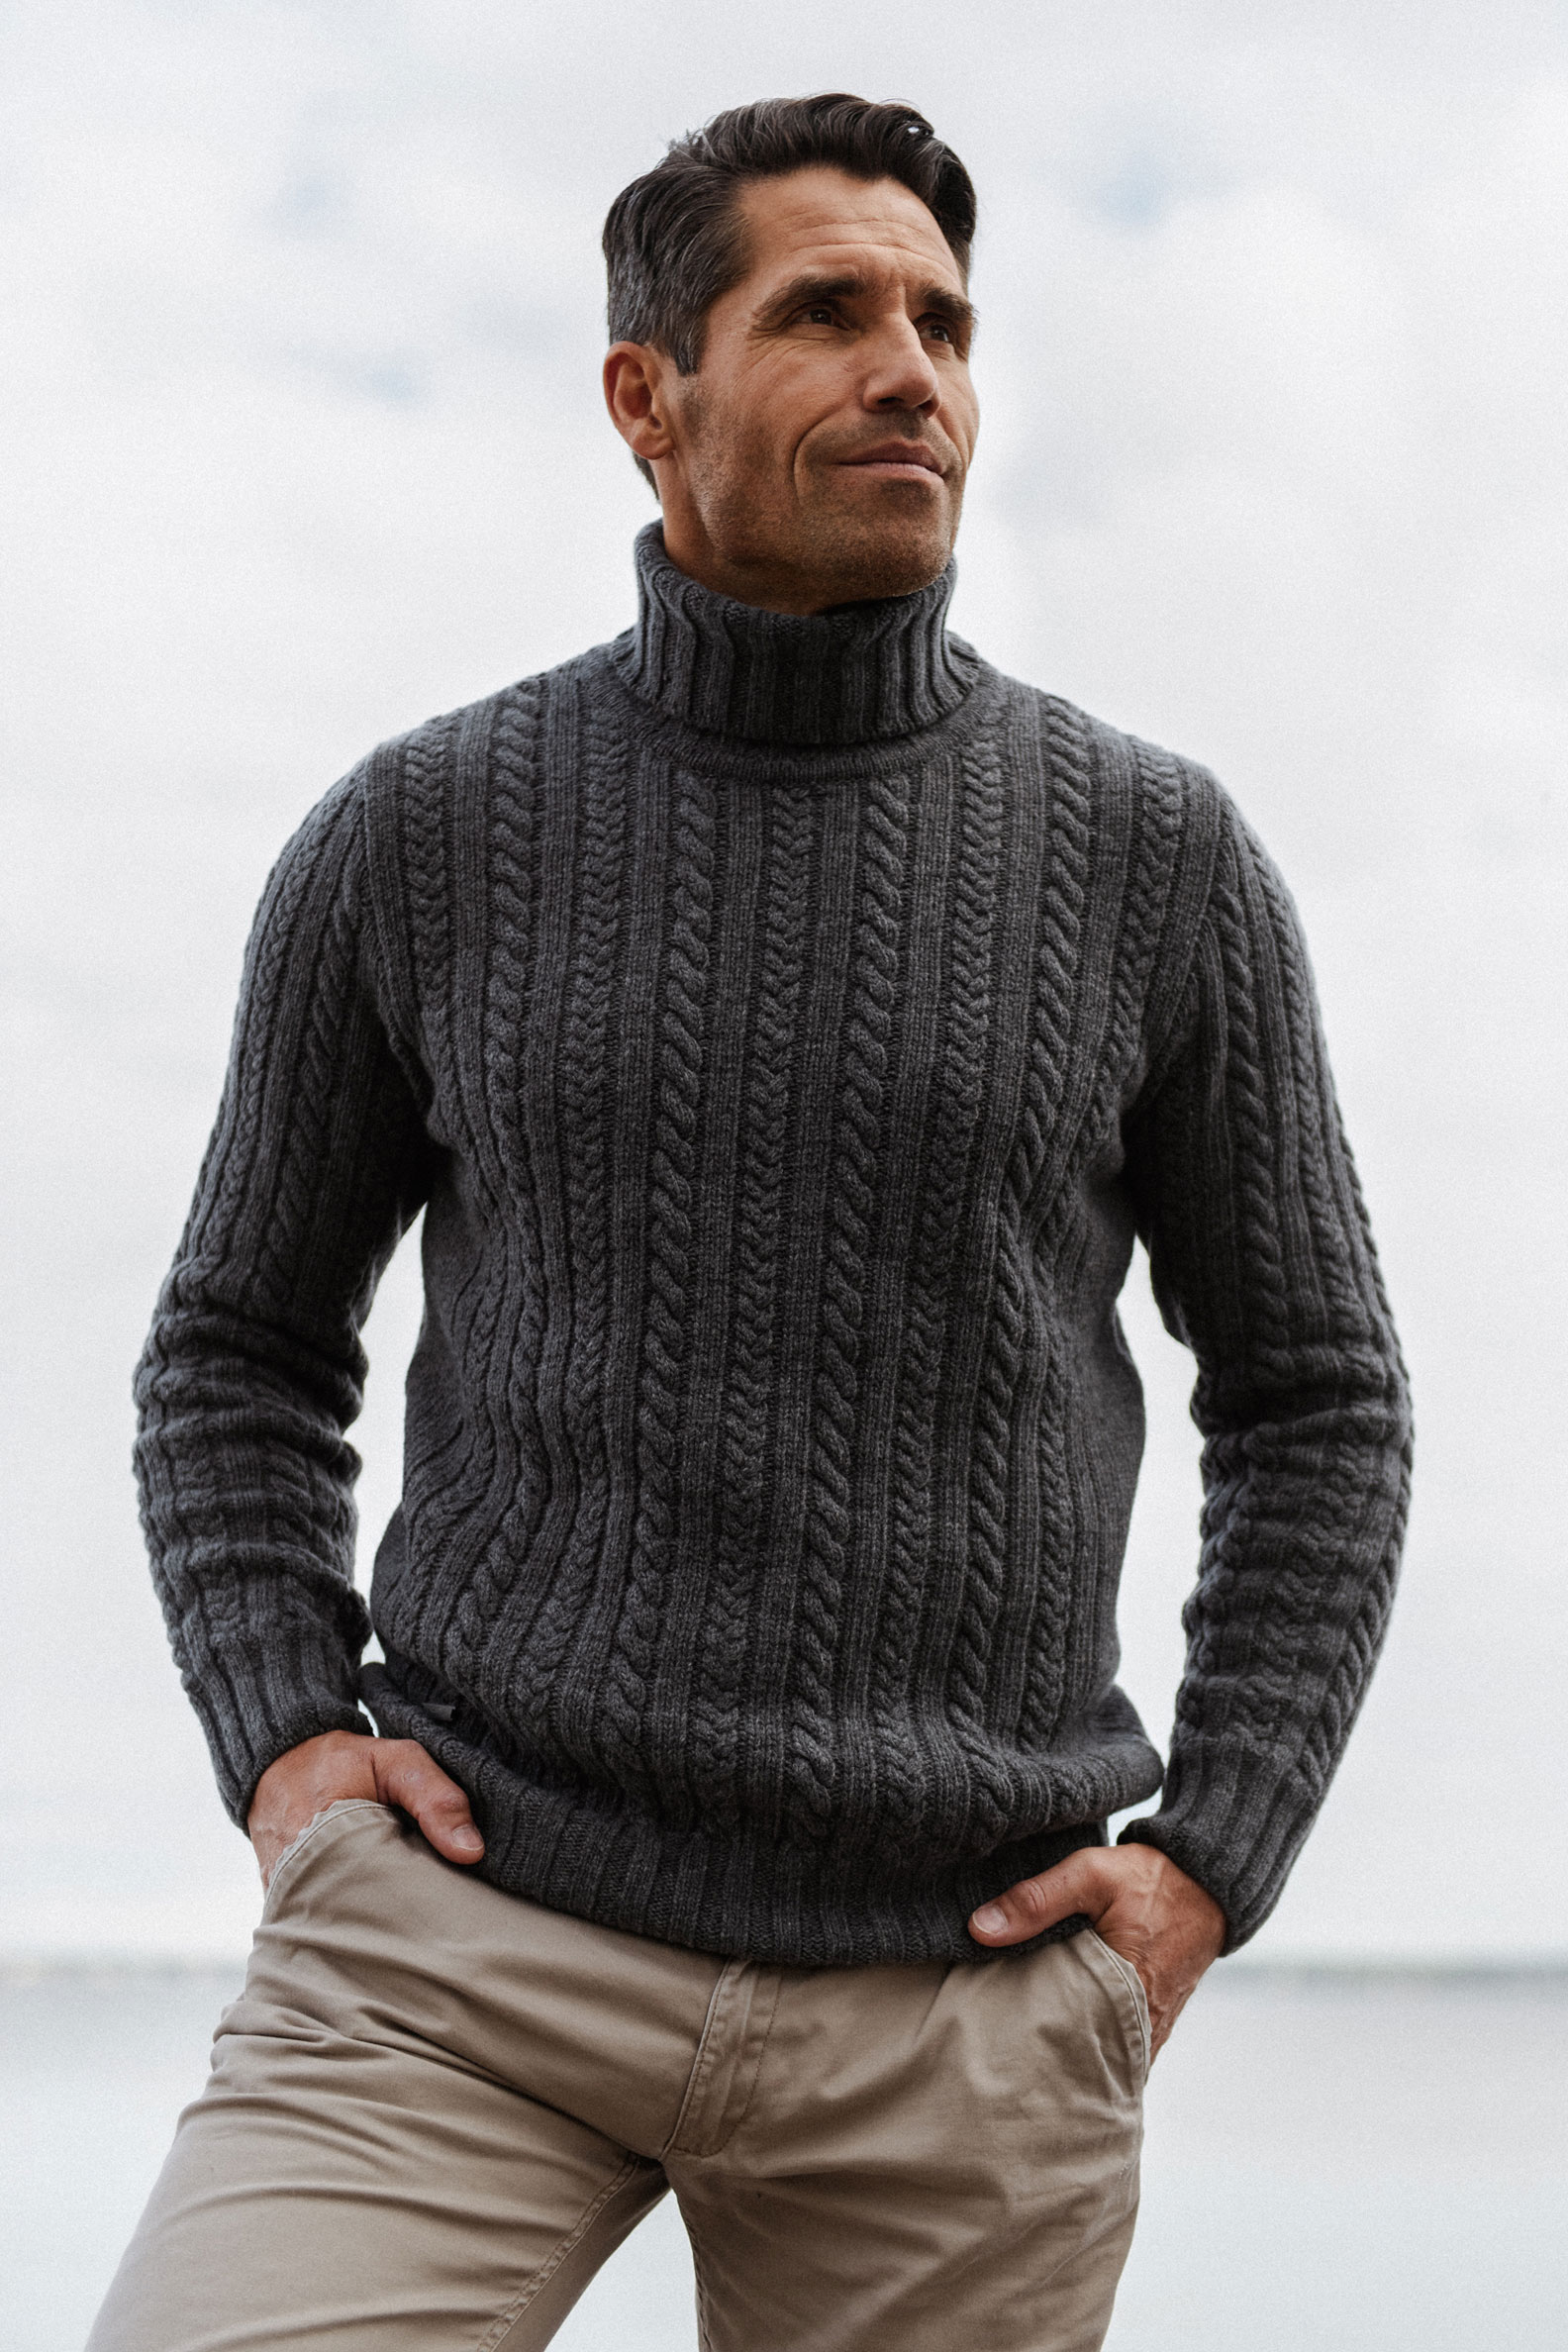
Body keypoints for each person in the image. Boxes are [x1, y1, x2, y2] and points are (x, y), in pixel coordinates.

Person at [92, 92, 1412, 2352]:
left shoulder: (1158, 857)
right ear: (647, 394)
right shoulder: (415, 835)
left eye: (946, 325)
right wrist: (291, 1745)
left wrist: (1209, 1864)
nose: (914, 373)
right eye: (828, 313)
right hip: (462, 1957)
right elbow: (237, 1350)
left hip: (967, 2007)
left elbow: (1319, 1400)